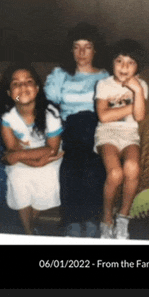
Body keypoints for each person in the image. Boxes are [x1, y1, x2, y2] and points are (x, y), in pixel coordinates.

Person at [44, 22, 109, 237]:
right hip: (70, 127)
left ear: (95, 49)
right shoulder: (60, 74)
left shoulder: (105, 76)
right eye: (76, 46)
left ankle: (82, 221)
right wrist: (14, 98)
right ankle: (81, 221)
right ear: (70, 50)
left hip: (96, 127)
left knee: (85, 163)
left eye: (87, 46)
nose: (81, 53)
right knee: (81, 161)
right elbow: (42, 102)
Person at [0, 63, 64, 235]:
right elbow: (12, 150)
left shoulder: (50, 114)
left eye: (28, 82)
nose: (23, 86)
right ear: (10, 94)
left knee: (47, 178)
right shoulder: (8, 118)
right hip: (24, 157)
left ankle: (32, 222)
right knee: (18, 176)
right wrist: (29, 161)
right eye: (16, 83)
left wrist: (26, 158)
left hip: (49, 157)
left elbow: (51, 149)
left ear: (38, 89)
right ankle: (28, 230)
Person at [94, 39, 148, 239]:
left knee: (133, 167)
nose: (124, 67)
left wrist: (139, 91)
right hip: (107, 134)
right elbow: (104, 117)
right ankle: (107, 217)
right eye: (119, 61)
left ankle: (123, 216)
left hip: (130, 134)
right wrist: (132, 107)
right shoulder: (104, 84)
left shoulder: (141, 85)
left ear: (137, 67)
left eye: (131, 62)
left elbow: (140, 117)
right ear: (112, 63)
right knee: (116, 173)